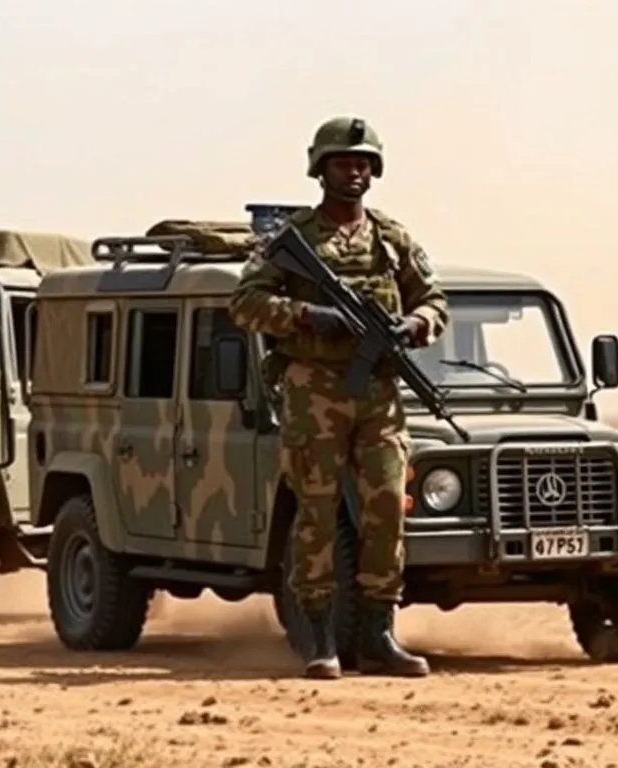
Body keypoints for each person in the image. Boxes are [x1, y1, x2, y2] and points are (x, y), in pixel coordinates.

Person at [228, 115, 449, 680]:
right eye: (343, 163)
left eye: (362, 164)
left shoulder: (391, 239)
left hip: (379, 394)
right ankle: (320, 639)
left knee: (386, 510)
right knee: (317, 513)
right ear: (320, 169)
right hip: (315, 390)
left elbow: (434, 301)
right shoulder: (295, 239)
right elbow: (245, 303)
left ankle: (379, 634)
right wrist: (307, 314)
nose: (354, 172)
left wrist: (413, 325)